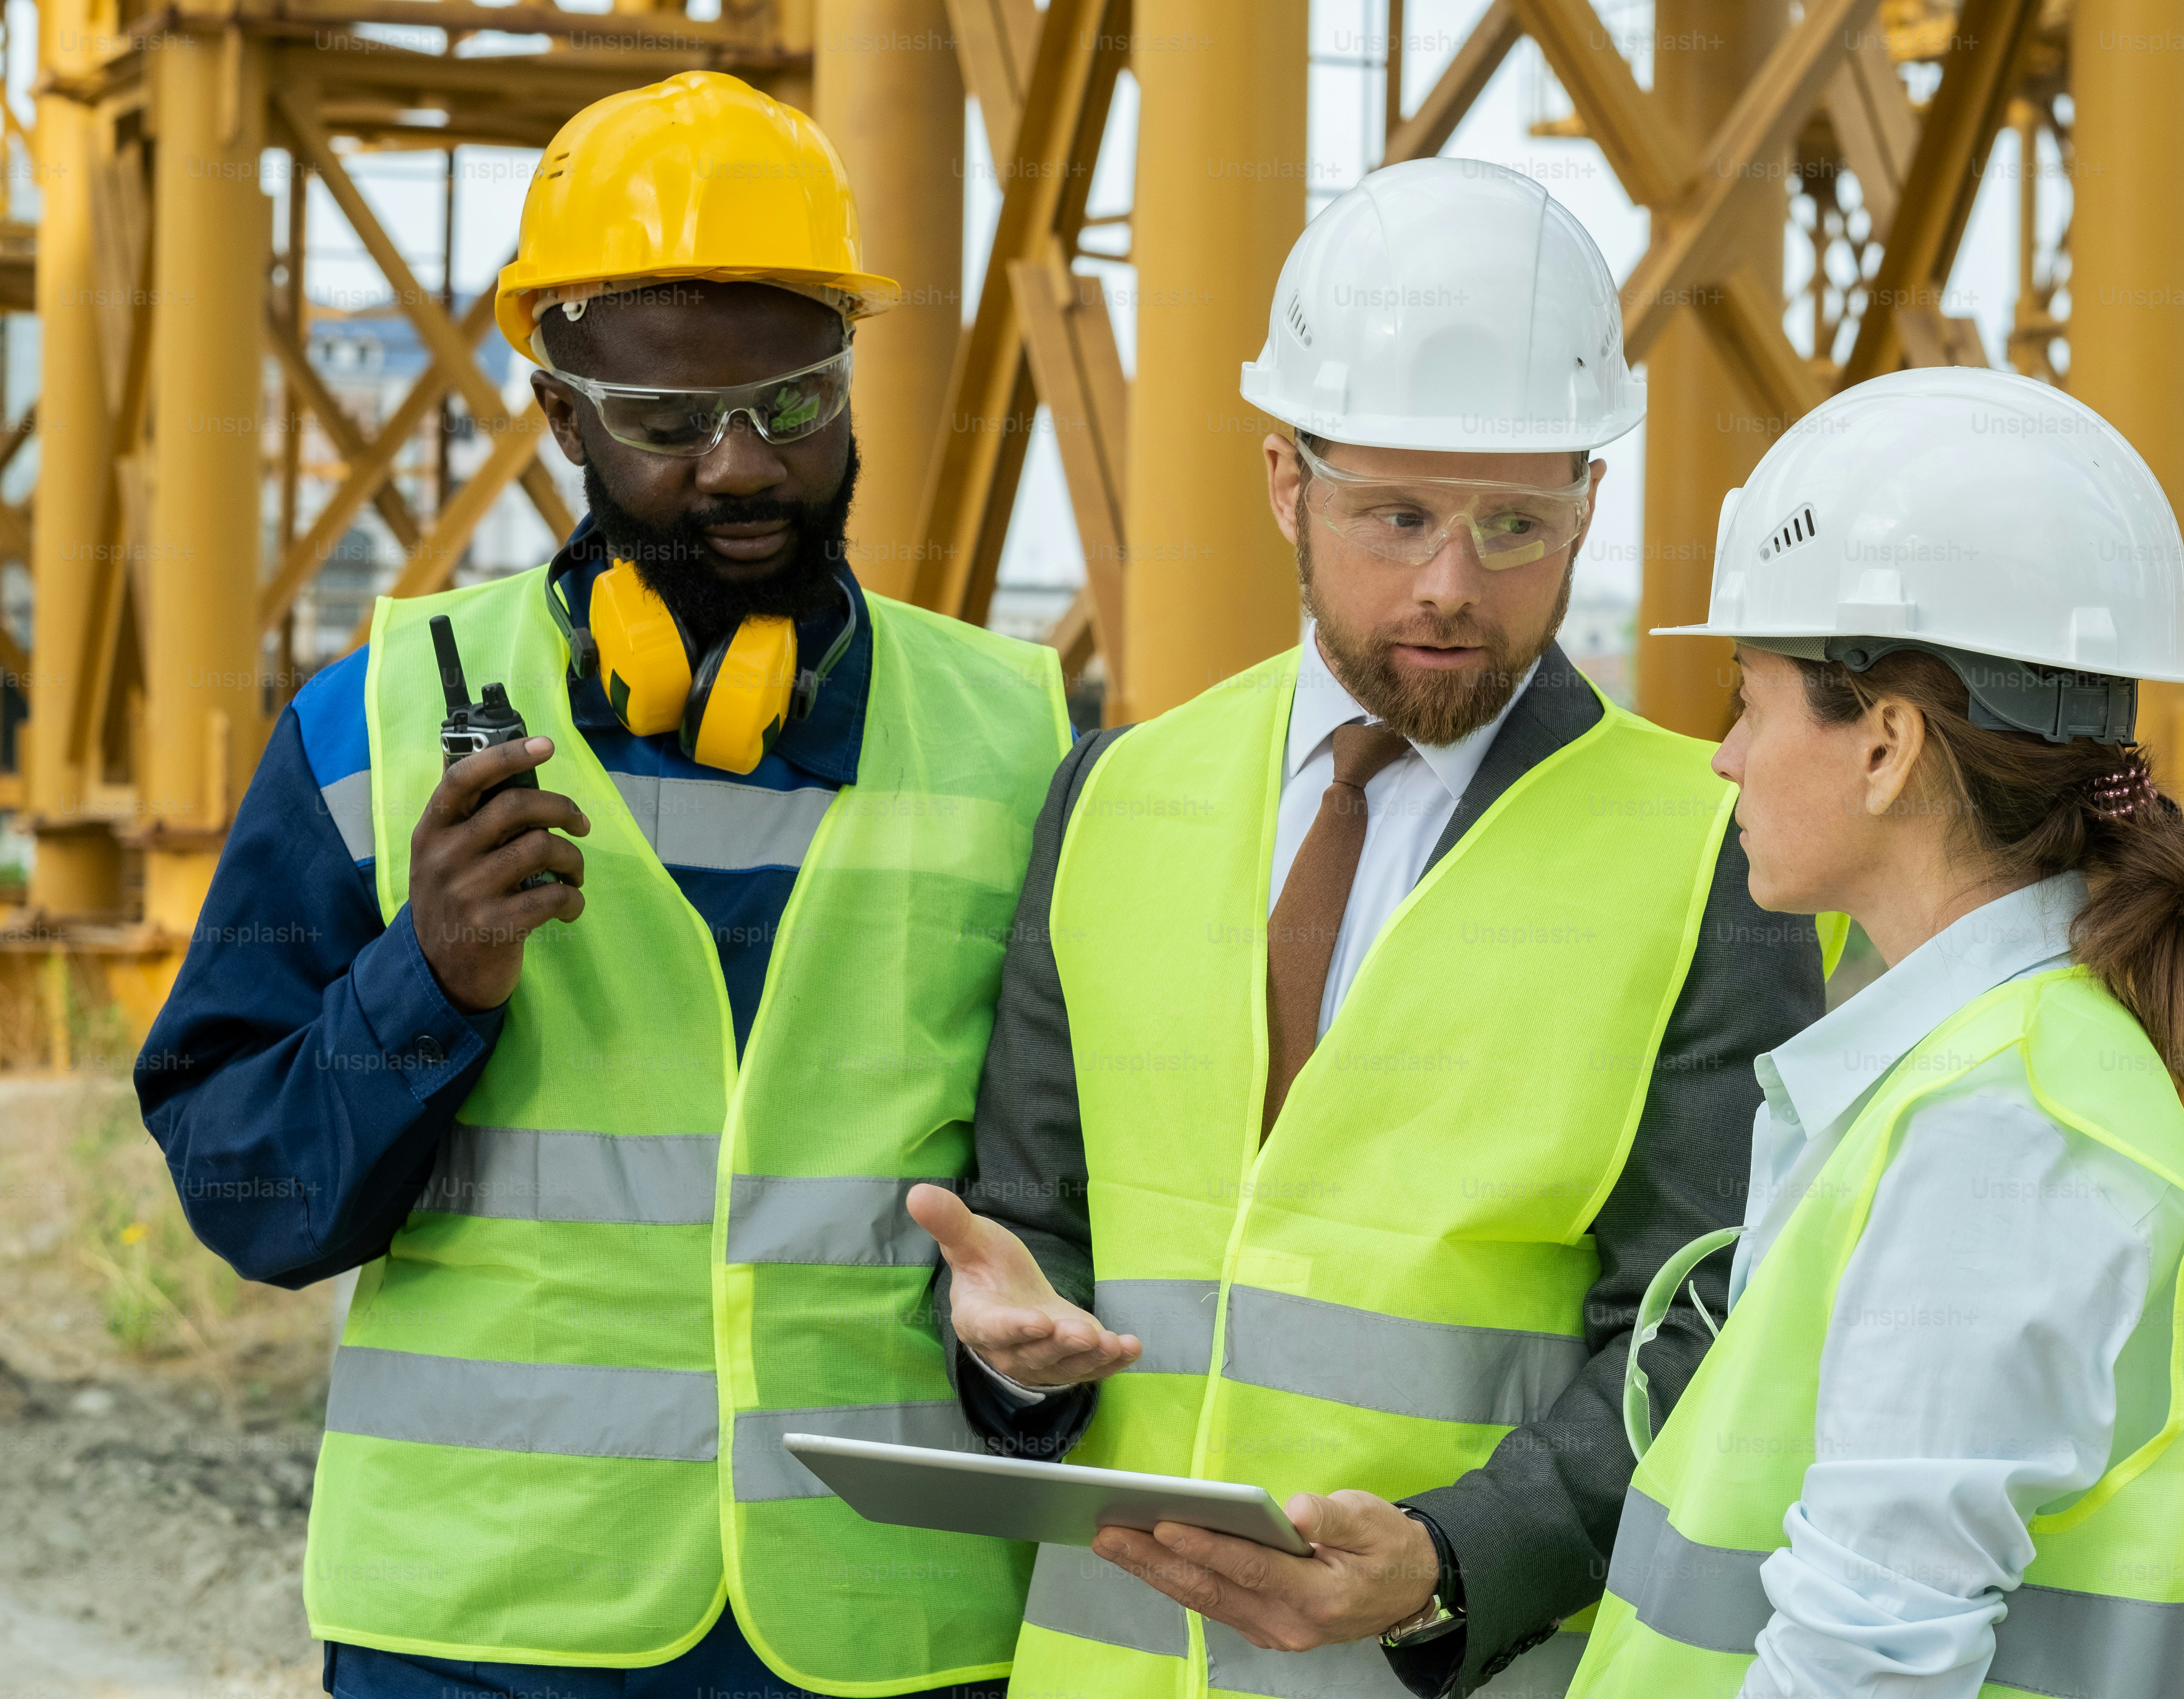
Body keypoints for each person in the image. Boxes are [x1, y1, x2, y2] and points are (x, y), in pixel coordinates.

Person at [136, 72, 1069, 1699]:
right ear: (562, 416)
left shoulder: (1018, 736)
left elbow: (1080, 1188)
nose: (738, 467)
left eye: (793, 404)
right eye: (662, 423)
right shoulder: (378, 721)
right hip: (486, 1632)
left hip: (885, 1628)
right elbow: (250, 1198)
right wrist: (422, 979)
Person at [904, 156, 1832, 1698]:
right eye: (1395, 516)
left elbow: (1717, 1318)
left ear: (1590, 500)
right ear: (1286, 481)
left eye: (1519, 528)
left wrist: (1455, 1566)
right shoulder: (1117, 794)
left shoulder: (1711, 853)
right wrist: (1009, 1353)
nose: (1454, 586)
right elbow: (1037, 1210)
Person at [1568, 365, 2184, 1697]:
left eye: (1749, 699)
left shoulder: (2000, 1123)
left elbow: (1869, 1655)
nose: (1725, 757)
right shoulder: (1987, 1070)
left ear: (1885, 746)